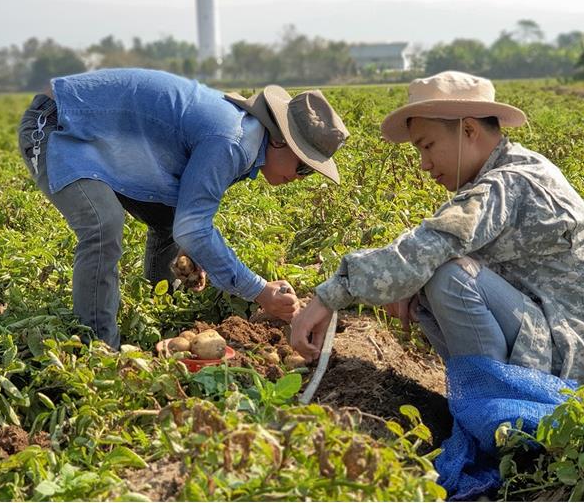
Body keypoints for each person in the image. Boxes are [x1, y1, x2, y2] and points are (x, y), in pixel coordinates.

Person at [291, 70, 584, 385]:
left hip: (576, 358)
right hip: (567, 339)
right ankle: (488, 401)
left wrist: (331, 295)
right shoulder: (516, 168)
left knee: (449, 276)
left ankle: (498, 412)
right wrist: (412, 284)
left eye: (427, 146)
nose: (424, 164)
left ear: (469, 130)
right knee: (432, 275)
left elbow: (432, 243)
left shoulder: (508, 182)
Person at [18, 68, 349, 349]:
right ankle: (98, 347)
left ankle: (158, 304)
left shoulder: (244, 136)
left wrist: (199, 254)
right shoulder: (232, 141)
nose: (300, 177)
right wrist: (259, 290)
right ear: (279, 140)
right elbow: (194, 227)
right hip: (59, 122)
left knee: (169, 217)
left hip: (102, 137)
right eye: (303, 166)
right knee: (103, 225)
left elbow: (187, 218)